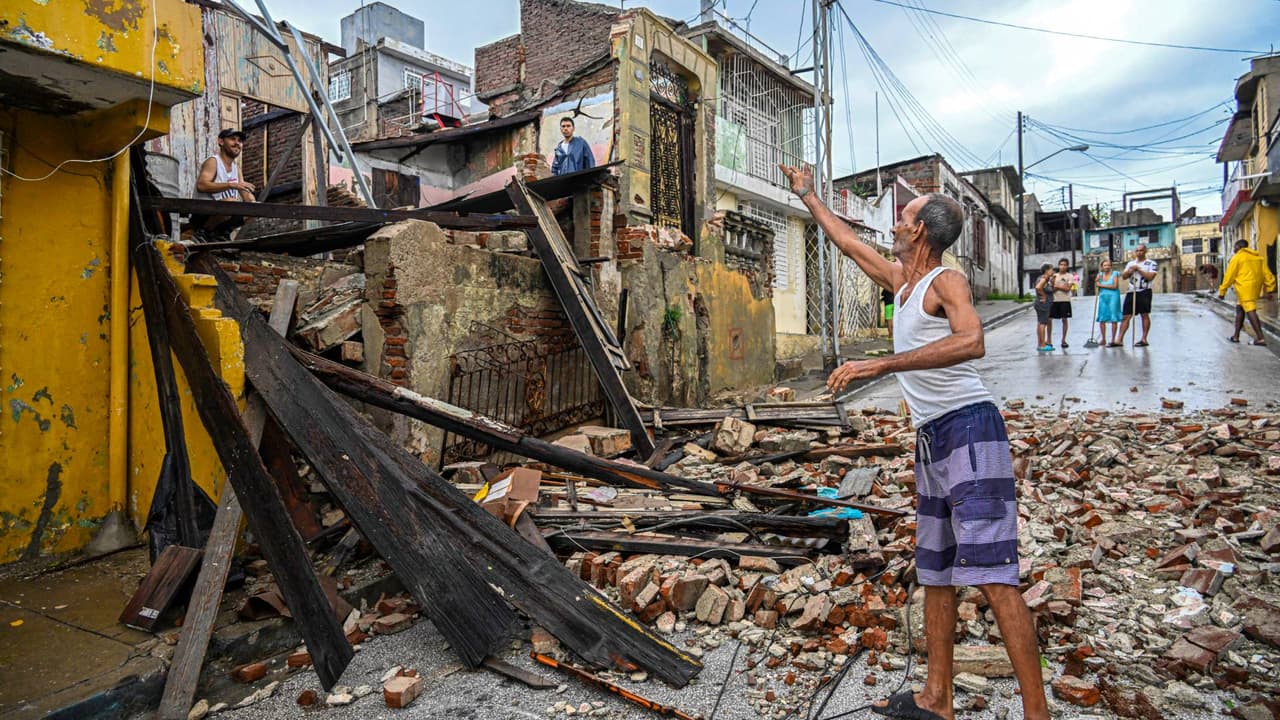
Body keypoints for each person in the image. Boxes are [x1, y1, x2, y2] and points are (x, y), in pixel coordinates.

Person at [780, 163, 1049, 720]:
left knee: (995, 575)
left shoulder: (945, 282)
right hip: (932, 438)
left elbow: (972, 341)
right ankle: (937, 700)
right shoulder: (903, 283)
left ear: (920, 231)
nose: (893, 225)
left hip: (971, 429)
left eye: (901, 218)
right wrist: (808, 195)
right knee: (937, 571)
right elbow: (847, 242)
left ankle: (1037, 715)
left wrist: (880, 363)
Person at [193, 128, 256, 241]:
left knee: (255, 208)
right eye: (232, 139)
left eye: (240, 141)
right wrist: (231, 185)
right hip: (203, 213)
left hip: (224, 214)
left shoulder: (236, 168)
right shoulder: (213, 161)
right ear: (221, 142)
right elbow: (201, 185)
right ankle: (204, 231)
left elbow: (243, 190)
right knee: (231, 202)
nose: (237, 143)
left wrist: (252, 201)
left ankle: (223, 232)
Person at [1219, 240, 1277, 346]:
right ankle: (1236, 336)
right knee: (1240, 309)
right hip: (1254, 288)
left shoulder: (1237, 258)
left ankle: (1260, 338)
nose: (1234, 249)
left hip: (1244, 289)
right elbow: (1268, 275)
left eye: (1235, 247)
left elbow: (1229, 276)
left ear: (1239, 247)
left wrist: (1222, 291)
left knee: (1250, 310)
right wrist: (1270, 289)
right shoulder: (1258, 258)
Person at [1117, 244, 1158, 346]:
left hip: (1144, 291)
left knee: (1144, 314)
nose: (1139, 252)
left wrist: (1139, 269)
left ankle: (1144, 339)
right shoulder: (1130, 263)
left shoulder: (1151, 263)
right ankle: (1119, 339)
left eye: (1141, 250)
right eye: (1137, 251)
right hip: (1131, 291)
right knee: (1126, 316)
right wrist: (1131, 270)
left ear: (1145, 251)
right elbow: (1124, 276)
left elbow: (1150, 277)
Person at [1095, 259, 1123, 347]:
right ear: (1102, 267)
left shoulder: (1115, 274)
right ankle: (1103, 339)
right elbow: (1097, 287)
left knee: (1113, 317)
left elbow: (1115, 286)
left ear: (1111, 266)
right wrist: (1096, 282)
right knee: (1102, 317)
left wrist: (1100, 285)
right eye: (1105, 265)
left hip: (1113, 297)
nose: (1107, 267)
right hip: (1103, 297)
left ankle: (1113, 339)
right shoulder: (1100, 275)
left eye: (1108, 265)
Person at [1049, 258, 1073, 348]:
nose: (1062, 266)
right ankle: (1049, 340)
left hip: (1065, 300)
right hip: (1054, 300)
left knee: (1064, 319)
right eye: (1061, 264)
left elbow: (1067, 289)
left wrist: (1057, 286)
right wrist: (1060, 286)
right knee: (1049, 319)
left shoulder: (1069, 276)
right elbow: (1051, 289)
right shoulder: (1054, 276)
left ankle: (1063, 340)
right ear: (1058, 265)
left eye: (1064, 265)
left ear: (1067, 266)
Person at [1033, 264, 1054, 352]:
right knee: (1043, 323)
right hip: (1043, 304)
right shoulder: (1044, 278)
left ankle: (1040, 343)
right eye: (1051, 269)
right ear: (1047, 270)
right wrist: (1044, 296)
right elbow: (1038, 287)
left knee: (1040, 322)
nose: (1052, 271)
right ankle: (1042, 345)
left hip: (1041, 304)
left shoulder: (1045, 278)